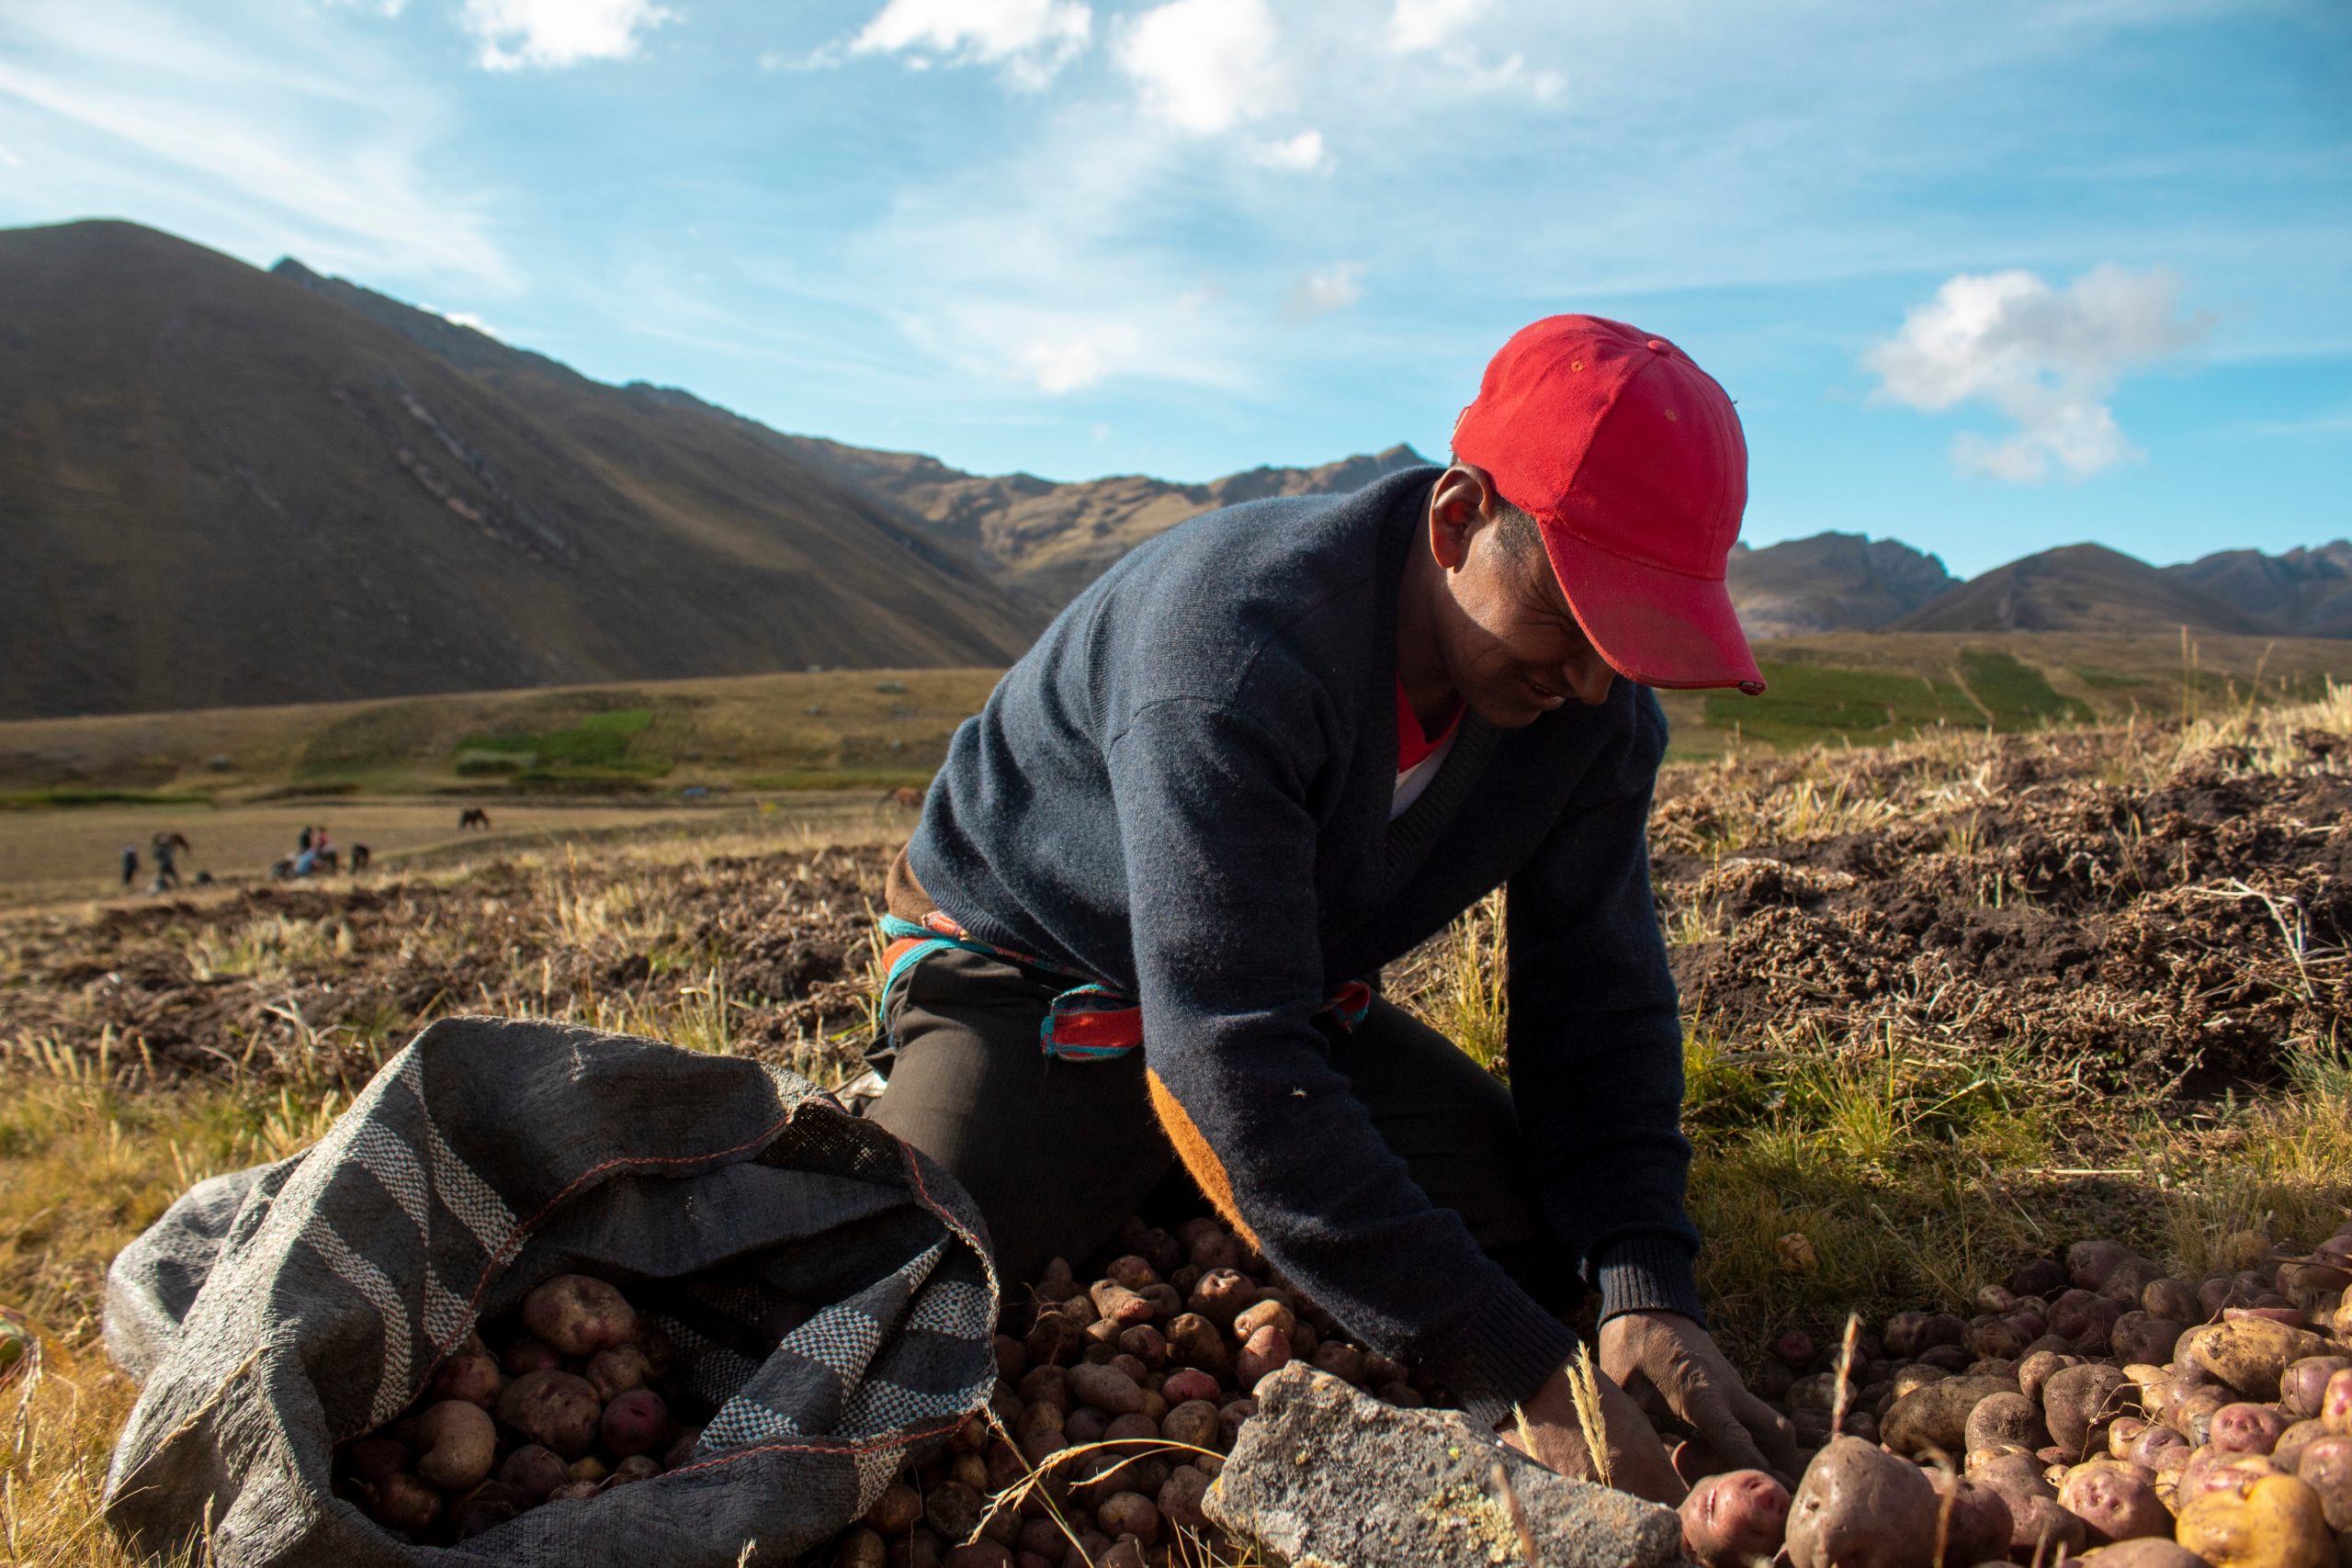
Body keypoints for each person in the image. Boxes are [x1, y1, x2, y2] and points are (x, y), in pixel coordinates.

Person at [862, 315, 1793, 1500]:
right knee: (897, 1280)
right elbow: (1235, 1063)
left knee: (1538, 1228)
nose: (1597, 680)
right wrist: (1520, 1376)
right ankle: (1060, 1132)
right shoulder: (1234, 652)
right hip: (1035, 978)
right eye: (1577, 619)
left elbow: (1597, 1001)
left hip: (1267, 990)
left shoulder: (1592, 718)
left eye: (1635, 639)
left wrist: (1643, 1280)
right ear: (1459, 522)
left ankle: (1206, 1180)